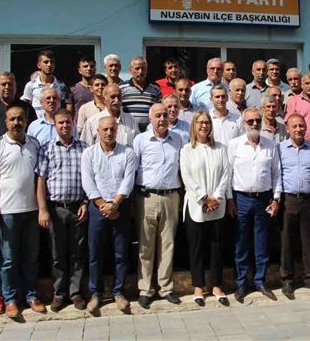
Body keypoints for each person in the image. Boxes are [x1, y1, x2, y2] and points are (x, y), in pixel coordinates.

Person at [0, 104, 44, 318]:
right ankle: (10, 299)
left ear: (26, 121)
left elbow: (40, 178)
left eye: (20, 118)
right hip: (7, 212)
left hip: (32, 211)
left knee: (31, 257)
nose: (17, 122)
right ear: (6, 122)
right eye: (12, 119)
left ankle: (31, 295)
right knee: (9, 259)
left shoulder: (34, 144)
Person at [81, 116, 136, 315]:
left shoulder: (127, 153)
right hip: (98, 208)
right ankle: (95, 293)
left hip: (120, 208)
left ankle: (118, 291)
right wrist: (103, 205)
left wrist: (114, 204)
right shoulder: (89, 153)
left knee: (121, 253)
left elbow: (128, 182)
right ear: (98, 131)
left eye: (112, 129)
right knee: (95, 253)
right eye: (105, 129)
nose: (109, 132)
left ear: (117, 130)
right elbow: (88, 182)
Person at [36, 108, 88, 312]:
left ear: (73, 123)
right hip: (55, 209)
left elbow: (90, 178)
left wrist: (85, 202)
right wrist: (43, 209)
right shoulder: (47, 148)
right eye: (60, 123)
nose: (65, 126)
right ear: (55, 125)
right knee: (57, 254)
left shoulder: (84, 148)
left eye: (67, 122)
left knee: (77, 253)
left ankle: (75, 293)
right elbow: (41, 180)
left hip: (77, 208)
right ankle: (59, 293)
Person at [180, 111, 234, 307]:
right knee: (196, 248)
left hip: (217, 206)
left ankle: (217, 286)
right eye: (200, 123)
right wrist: (204, 198)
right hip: (196, 205)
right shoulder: (187, 150)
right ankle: (198, 286)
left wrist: (216, 197)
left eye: (207, 123)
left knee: (216, 247)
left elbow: (225, 174)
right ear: (194, 126)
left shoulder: (220, 148)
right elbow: (187, 177)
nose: (204, 126)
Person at [132, 103, 184, 308]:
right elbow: (133, 169)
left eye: (164, 115)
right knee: (145, 246)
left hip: (171, 196)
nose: (162, 119)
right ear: (150, 118)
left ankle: (166, 288)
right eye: (158, 116)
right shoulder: (140, 140)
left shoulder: (178, 139)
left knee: (167, 245)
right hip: (147, 197)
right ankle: (145, 289)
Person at [228, 108, 282, 302]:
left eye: (257, 121)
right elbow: (228, 173)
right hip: (241, 198)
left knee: (261, 242)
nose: (254, 124)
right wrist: (229, 199)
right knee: (241, 243)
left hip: (263, 199)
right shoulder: (234, 145)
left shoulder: (270, 145)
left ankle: (260, 281)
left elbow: (276, 173)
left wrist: (276, 198)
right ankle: (241, 283)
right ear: (243, 123)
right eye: (250, 121)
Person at [278, 114, 310, 299]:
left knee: (309, 241)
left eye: (301, 126)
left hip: (309, 200)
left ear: (306, 128)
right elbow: (277, 175)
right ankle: (287, 279)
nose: (298, 129)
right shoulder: (280, 149)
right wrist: (277, 198)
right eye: (295, 126)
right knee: (287, 241)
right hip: (288, 199)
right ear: (288, 129)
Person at [0, 72, 37, 138]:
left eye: (10, 84)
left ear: (15, 86)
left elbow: (33, 130)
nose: (7, 87)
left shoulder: (26, 108)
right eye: (4, 84)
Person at [21, 50, 70, 119]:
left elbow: (64, 106)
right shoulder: (30, 85)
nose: (49, 65)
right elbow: (24, 105)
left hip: (55, 122)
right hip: (36, 122)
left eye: (51, 62)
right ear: (39, 65)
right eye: (46, 62)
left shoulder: (61, 86)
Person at [120, 56, 162, 132]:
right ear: (130, 70)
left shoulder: (155, 88)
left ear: (146, 70)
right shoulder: (122, 88)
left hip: (149, 131)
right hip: (128, 130)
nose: (140, 71)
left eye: (143, 68)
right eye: (137, 68)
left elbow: (159, 109)